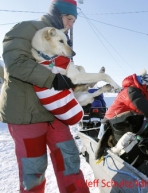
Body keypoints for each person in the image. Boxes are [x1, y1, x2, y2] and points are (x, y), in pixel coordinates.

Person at [0, 0, 89, 192]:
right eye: (68, 18)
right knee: (34, 173)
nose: (71, 24)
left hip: (56, 115)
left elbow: (64, 76)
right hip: (27, 115)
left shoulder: (62, 42)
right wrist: (52, 79)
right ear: (56, 14)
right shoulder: (27, 28)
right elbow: (16, 63)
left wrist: (77, 94)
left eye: (74, 20)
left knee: (70, 163)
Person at [97, 69, 148, 139]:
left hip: (117, 123)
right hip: (110, 126)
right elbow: (144, 109)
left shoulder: (136, 92)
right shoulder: (131, 92)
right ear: (145, 86)